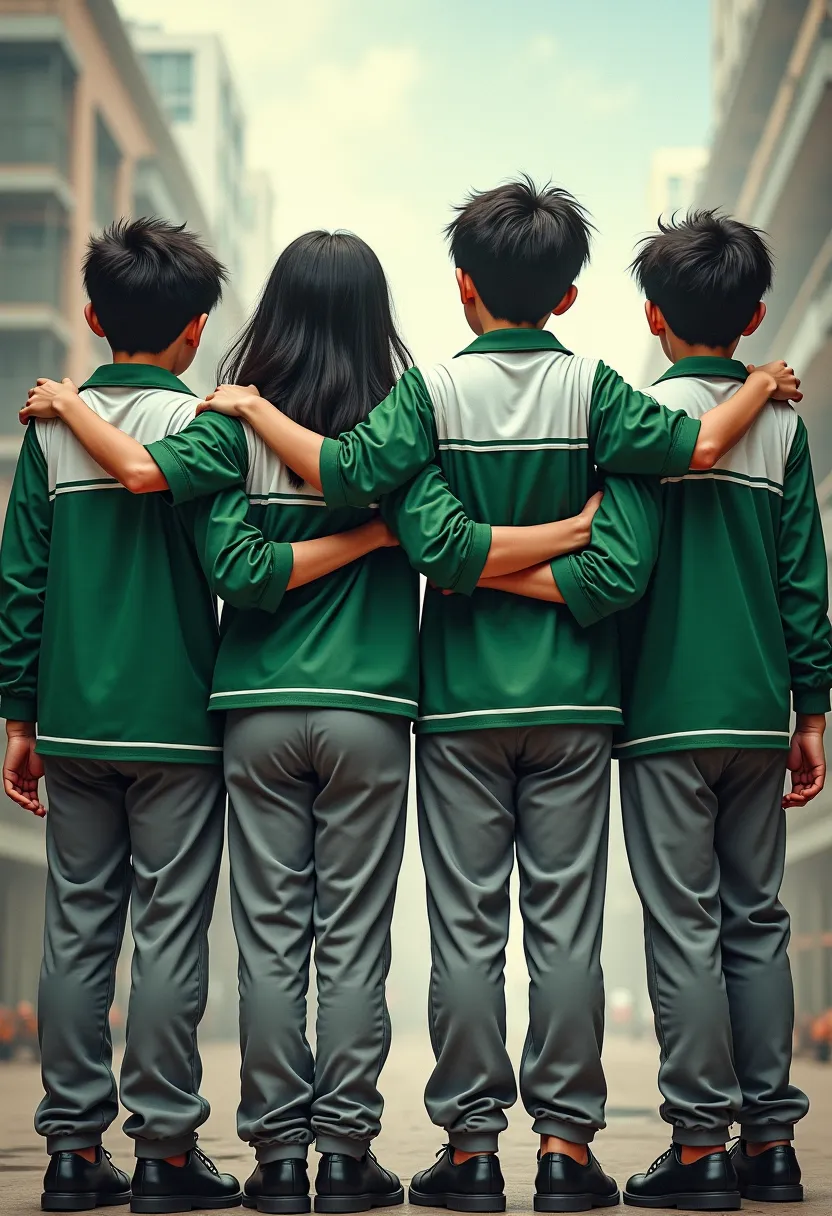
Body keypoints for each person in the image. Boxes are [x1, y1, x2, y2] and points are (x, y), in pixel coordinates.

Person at [179, 179, 799, 1213]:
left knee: (464, 932)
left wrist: (465, 562)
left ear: (462, 286)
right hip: (575, 705)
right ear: (566, 298)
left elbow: (395, 514)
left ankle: (468, 1153)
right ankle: (564, 1151)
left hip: (460, 708)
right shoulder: (601, 393)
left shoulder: (425, 403)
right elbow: (625, 553)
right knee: (565, 933)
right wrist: (565, 530)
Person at [23, 229, 600, 1215]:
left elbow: (230, 568)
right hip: (373, 709)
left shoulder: (228, 426)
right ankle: (344, 1154)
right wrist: (382, 529)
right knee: (353, 945)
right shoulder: (399, 425)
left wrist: (73, 404)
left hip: (249, 712)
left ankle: (271, 1159)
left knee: (263, 943)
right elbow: (434, 538)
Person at [2, 218, 402, 1216]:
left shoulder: (66, 430)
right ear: (193, 331)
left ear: (93, 317)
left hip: (90, 721)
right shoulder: (217, 429)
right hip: (182, 721)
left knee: (77, 933)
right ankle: (181, 1153)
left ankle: (73, 1149)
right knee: (178, 936)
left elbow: (20, 582)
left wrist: (18, 717)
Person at [495, 211, 826, 1209]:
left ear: (652, 314)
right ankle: (769, 1141)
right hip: (753, 711)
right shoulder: (779, 423)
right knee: (756, 919)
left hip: (659, 717)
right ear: (757, 314)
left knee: (681, 927)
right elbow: (802, 579)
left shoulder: (634, 423)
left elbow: (615, 572)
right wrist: (807, 712)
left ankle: (698, 1149)